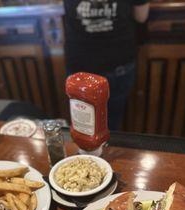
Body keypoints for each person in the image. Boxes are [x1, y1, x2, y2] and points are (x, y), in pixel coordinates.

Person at [63, 0, 150, 130]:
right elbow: (141, 16)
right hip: (118, 61)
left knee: (84, 125)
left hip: (81, 62)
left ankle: (86, 150)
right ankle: (108, 147)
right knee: (112, 122)